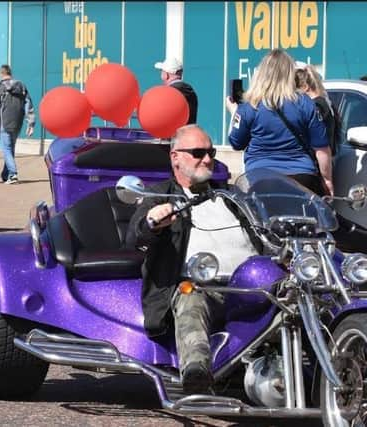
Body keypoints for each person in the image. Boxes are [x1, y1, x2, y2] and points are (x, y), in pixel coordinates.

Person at [126, 124, 261, 394]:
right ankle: (196, 371)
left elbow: (266, 229)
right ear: (175, 157)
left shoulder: (232, 196)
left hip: (255, 285)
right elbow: (136, 236)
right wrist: (152, 223)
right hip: (204, 288)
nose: (208, 159)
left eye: (210, 151)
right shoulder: (160, 195)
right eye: (198, 152)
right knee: (190, 295)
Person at [227, 49, 333, 196]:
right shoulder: (305, 103)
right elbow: (322, 149)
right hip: (302, 176)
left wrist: (234, 113)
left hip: (260, 177)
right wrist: (327, 180)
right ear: (289, 74)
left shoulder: (249, 107)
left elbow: (236, 142)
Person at [0, 64, 35, 184]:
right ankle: (6, 174)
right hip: (17, 122)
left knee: (6, 148)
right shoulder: (21, 86)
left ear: (1, 74)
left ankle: (13, 174)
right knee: (10, 148)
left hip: (3, 122)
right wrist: (30, 123)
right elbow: (28, 104)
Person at [295, 64, 339, 155]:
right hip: (326, 156)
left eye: (296, 90)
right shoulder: (325, 102)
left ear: (305, 87)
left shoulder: (315, 106)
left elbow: (316, 139)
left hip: (319, 159)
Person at [154, 57, 198, 124]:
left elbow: (156, 113)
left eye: (162, 71)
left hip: (175, 133)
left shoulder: (170, 93)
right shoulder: (190, 91)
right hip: (189, 132)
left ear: (166, 75)